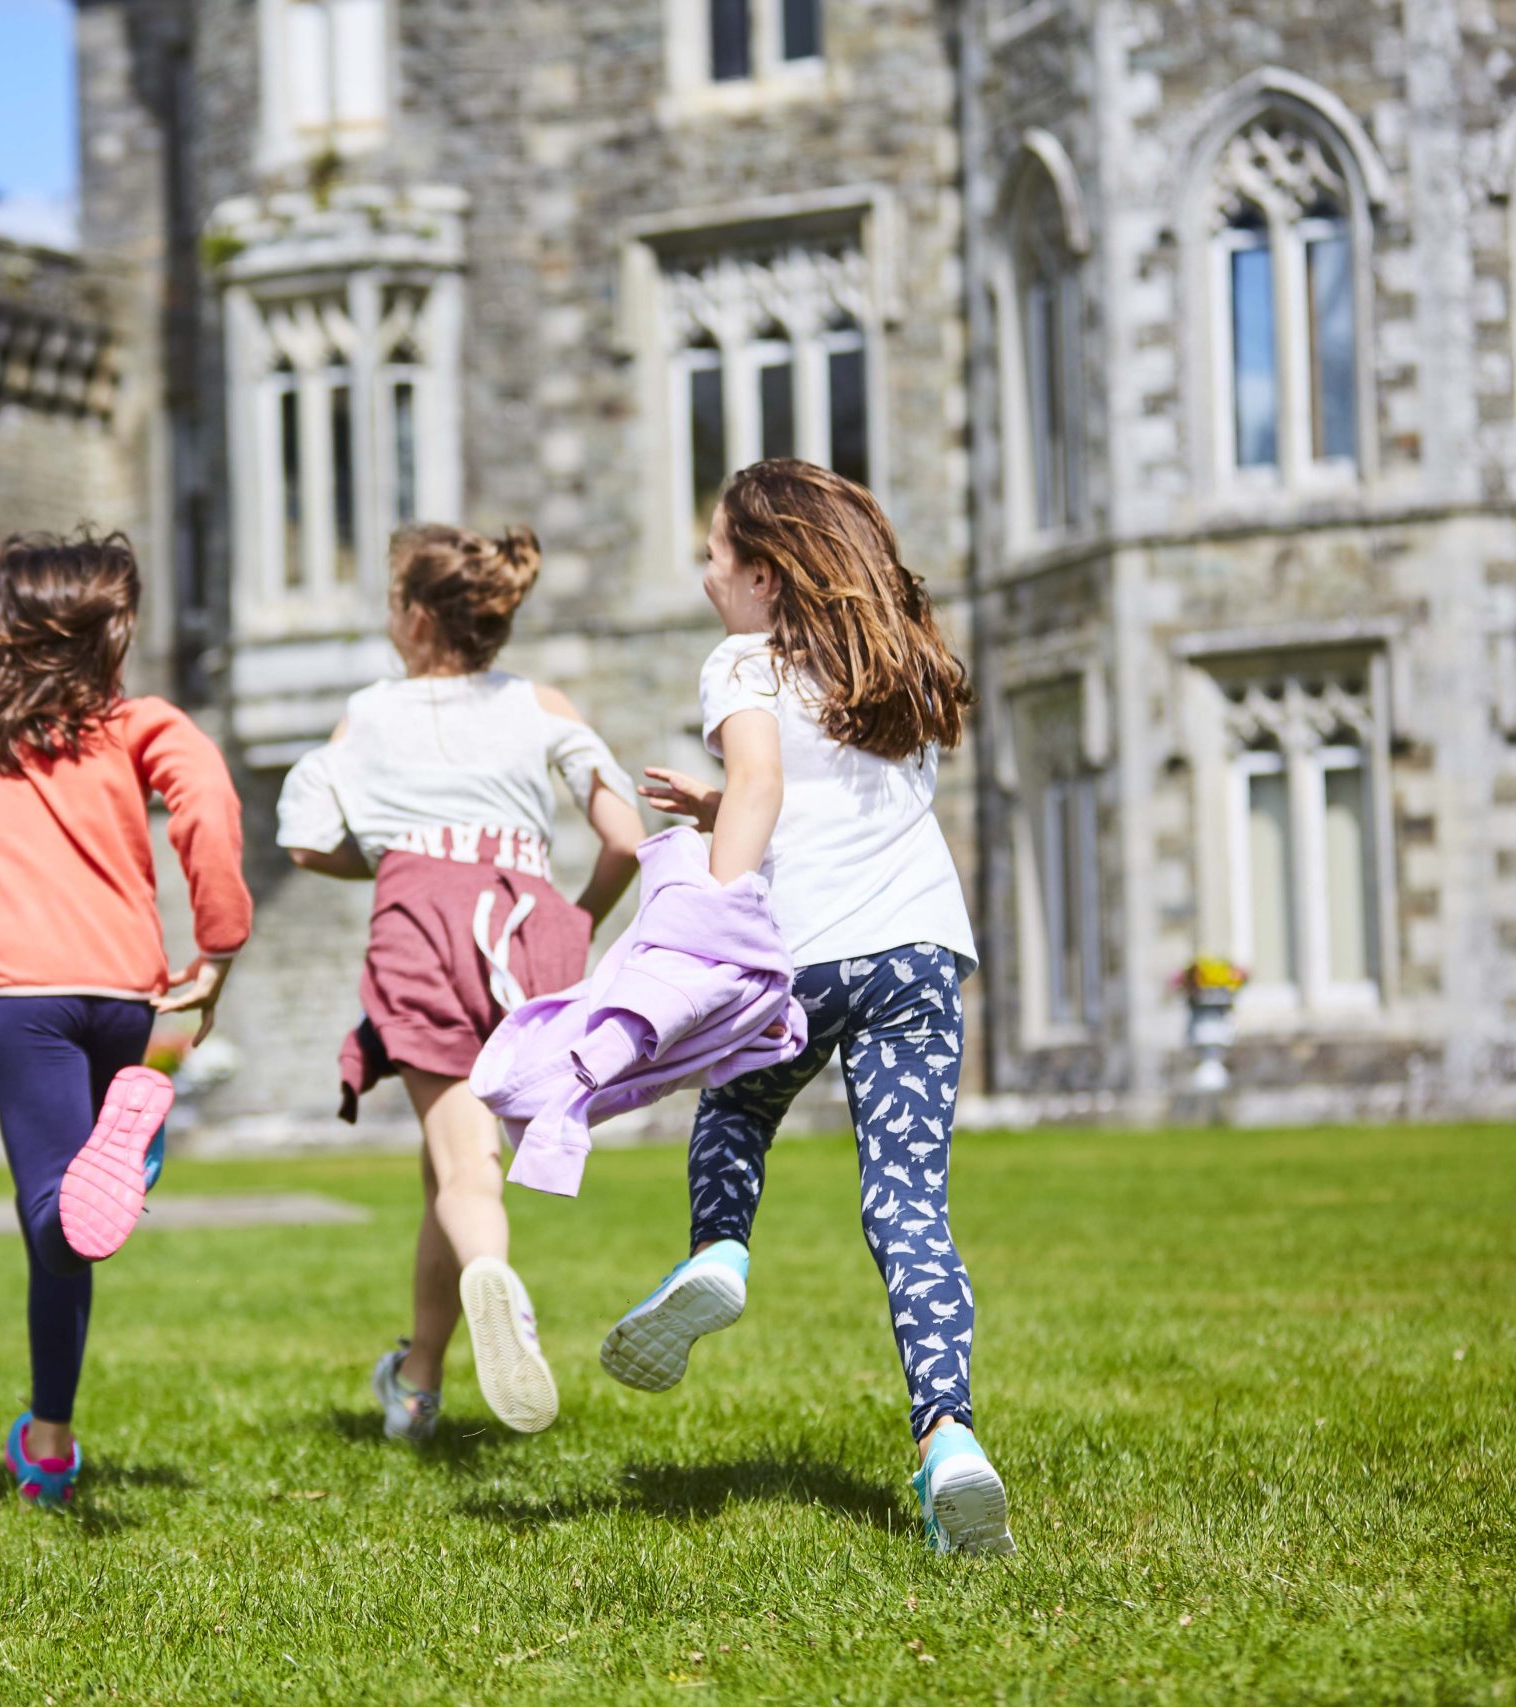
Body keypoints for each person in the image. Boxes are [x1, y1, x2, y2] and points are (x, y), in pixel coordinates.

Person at [598, 460, 1013, 1557]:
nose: (702, 580)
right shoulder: (897, 660)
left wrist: (709, 915)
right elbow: (834, 792)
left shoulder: (740, 663)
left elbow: (774, 789)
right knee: (907, 1207)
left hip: (804, 963)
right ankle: (949, 1442)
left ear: (767, 577)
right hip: (918, 957)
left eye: (715, 558)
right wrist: (723, 797)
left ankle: (718, 1255)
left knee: (735, 1114)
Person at [0, 530, 251, 1511]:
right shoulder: (142, 723)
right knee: (75, 1214)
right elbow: (208, 805)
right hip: (128, 999)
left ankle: (112, 1170)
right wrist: (215, 946)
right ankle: (47, 1443)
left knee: (58, 1221)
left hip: (22, 1001)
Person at [278, 524, 645, 1440]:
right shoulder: (541, 703)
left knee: (465, 1169)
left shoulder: (368, 713)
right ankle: (419, 1382)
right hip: (524, 930)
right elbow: (627, 837)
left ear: (411, 618)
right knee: (449, 1165)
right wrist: (581, 917)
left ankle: (497, 1282)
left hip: (421, 931)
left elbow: (304, 837)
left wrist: (405, 864)